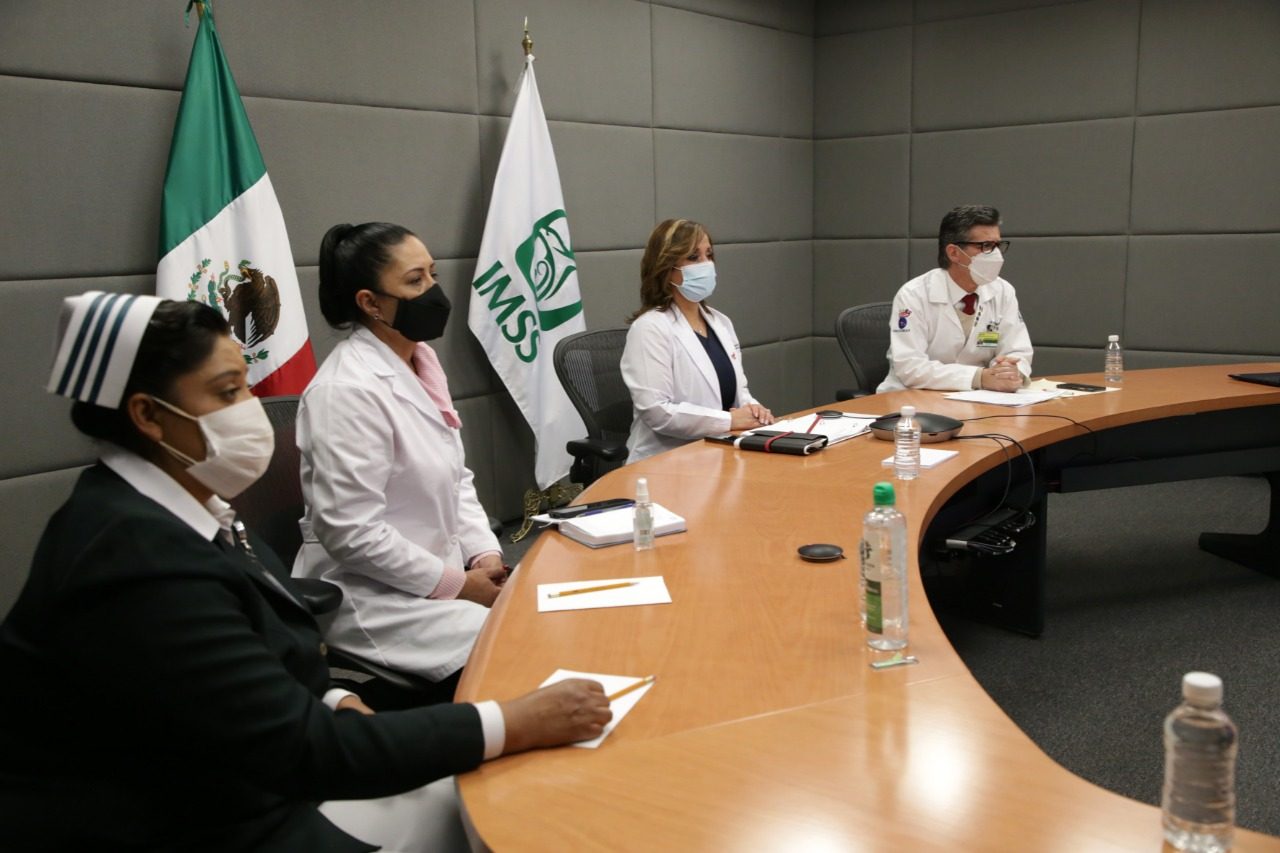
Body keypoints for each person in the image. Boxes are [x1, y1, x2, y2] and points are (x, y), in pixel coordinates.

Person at [0, 292, 611, 851]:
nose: (254, 410)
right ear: (148, 416)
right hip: (195, 820)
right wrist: (515, 721)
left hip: (245, 774)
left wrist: (333, 693)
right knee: (510, 817)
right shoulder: (133, 557)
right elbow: (301, 752)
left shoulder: (175, 506)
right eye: (228, 391)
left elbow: (242, 655)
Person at [294, 223, 504, 694]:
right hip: (372, 595)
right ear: (370, 303)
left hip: (443, 571)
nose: (432, 292)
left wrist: (484, 553)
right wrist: (457, 584)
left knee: (547, 618)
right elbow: (351, 533)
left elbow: (456, 477)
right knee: (519, 649)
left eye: (432, 275)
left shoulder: (420, 360)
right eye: (414, 281)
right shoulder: (344, 391)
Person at [620, 218, 774, 463]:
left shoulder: (720, 322)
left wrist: (753, 409)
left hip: (723, 453)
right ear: (667, 268)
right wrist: (730, 420)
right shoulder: (650, 328)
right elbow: (657, 411)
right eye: (693, 258)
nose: (706, 265)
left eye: (709, 255)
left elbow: (738, 391)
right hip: (666, 463)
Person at [877, 205, 1033, 392]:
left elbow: (1018, 350)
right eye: (986, 246)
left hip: (980, 400)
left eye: (998, 245)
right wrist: (978, 377)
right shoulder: (914, 294)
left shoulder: (1002, 291)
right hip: (914, 399)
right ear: (954, 253)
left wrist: (1011, 370)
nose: (996, 254)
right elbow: (910, 367)